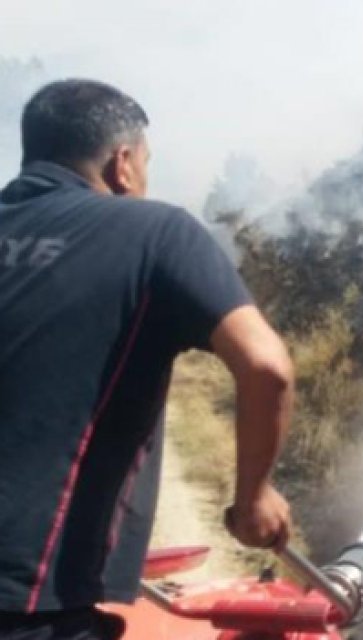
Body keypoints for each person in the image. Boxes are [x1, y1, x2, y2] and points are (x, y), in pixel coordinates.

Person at [0, 79, 295, 639]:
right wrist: (253, 497)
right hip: (32, 605)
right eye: (147, 163)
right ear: (123, 164)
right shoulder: (157, 232)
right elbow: (266, 366)